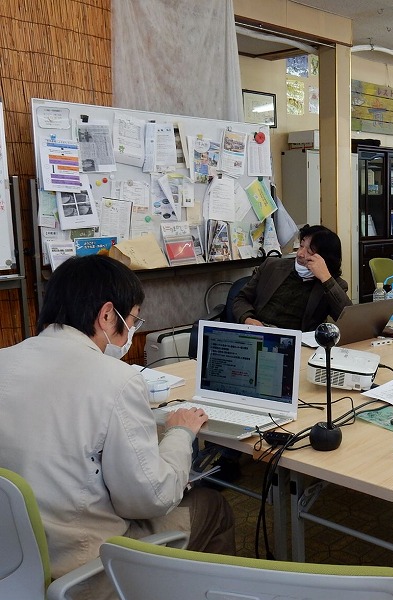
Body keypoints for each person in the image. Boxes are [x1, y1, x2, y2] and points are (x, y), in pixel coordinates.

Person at [0, 255, 235, 599]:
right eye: (134, 319)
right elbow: (150, 499)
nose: (132, 332)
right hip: (83, 567)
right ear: (108, 315)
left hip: (13, 564)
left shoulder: (4, 359)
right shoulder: (116, 379)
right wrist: (180, 434)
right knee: (212, 507)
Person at [233, 224, 352, 331]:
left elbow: (349, 320)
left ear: (324, 258)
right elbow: (241, 298)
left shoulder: (333, 284)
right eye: (301, 246)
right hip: (260, 331)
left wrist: (326, 278)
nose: (300, 254)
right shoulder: (272, 266)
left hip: (297, 341)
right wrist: (248, 319)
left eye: (309, 251)